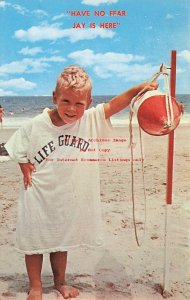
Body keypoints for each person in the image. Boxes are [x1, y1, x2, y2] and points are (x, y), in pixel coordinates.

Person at [5, 65, 158, 300]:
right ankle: (35, 286)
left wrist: (138, 89)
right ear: (54, 97)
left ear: (88, 102)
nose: (72, 109)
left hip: (67, 195)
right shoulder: (36, 124)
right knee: (34, 241)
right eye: (65, 101)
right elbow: (17, 146)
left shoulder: (87, 120)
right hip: (38, 194)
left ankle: (60, 282)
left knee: (60, 240)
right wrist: (24, 163)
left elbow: (114, 105)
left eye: (79, 104)